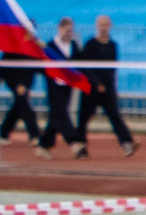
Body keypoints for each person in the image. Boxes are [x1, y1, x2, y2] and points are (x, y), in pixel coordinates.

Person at [75, 13, 137, 158]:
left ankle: (127, 142)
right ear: (97, 26)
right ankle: (81, 147)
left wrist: (108, 85)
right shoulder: (90, 44)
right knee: (83, 117)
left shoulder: (112, 45)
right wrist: (97, 83)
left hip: (107, 88)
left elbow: (112, 67)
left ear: (110, 26)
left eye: (106, 25)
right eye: (101, 25)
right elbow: (87, 66)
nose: (103, 28)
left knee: (114, 115)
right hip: (91, 88)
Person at [37, 16, 88, 157]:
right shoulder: (50, 46)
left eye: (71, 30)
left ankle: (43, 145)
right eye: (67, 29)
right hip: (54, 86)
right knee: (61, 112)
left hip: (67, 86)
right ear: (60, 29)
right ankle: (75, 142)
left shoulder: (74, 46)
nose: (69, 32)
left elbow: (80, 64)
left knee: (57, 115)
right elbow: (44, 66)